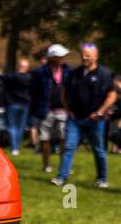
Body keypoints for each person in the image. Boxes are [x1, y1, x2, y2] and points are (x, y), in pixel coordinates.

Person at [52, 42, 117, 189]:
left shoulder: (104, 74)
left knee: (98, 149)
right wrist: (68, 109)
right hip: (75, 118)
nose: (84, 57)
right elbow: (64, 92)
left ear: (96, 56)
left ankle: (102, 178)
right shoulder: (74, 74)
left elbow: (112, 96)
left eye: (88, 54)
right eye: (83, 54)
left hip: (95, 119)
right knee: (69, 147)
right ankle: (61, 177)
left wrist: (100, 112)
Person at [31, 44, 71, 173]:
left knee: (63, 138)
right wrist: (37, 109)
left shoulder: (67, 70)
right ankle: (46, 165)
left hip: (63, 110)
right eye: (60, 56)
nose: (62, 58)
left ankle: (64, 166)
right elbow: (34, 92)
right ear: (52, 57)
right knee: (45, 138)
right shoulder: (40, 72)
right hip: (46, 110)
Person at [1, 58, 33, 155]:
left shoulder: (11, 77)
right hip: (25, 104)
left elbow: (2, 79)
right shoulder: (29, 78)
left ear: (17, 67)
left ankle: (14, 147)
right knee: (21, 127)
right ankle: (17, 146)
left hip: (13, 103)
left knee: (12, 126)